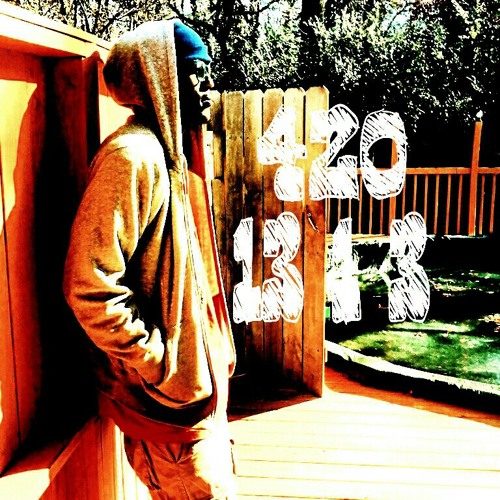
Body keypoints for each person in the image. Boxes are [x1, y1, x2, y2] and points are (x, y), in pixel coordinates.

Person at [63, 19, 237, 499]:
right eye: (196, 75)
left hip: (195, 407)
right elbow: (89, 285)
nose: (208, 91)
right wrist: (159, 363)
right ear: (159, 78)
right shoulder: (133, 157)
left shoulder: (170, 155)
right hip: (170, 417)